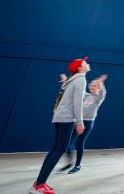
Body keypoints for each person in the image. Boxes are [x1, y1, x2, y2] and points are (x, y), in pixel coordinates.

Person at [29, 57, 89, 194]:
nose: (88, 64)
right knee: (60, 149)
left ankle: (39, 182)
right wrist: (79, 122)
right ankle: (39, 185)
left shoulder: (71, 80)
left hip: (59, 117)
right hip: (67, 118)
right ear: (80, 68)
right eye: (85, 63)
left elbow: (71, 96)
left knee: (55, 149)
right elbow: (77, 103)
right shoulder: (80, 79)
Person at [60, 74, 107, 173]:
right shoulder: (85, 95)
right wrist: (65, 81)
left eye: (95, 86)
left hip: (88, 122)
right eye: (91, 86)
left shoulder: (98, 99)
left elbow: (103, 93)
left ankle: (77, 165)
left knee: (80, 143)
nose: (92, 88)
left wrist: (101, 83)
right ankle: (69, 162)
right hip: (79, 121)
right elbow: (74, 90)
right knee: (67, 142)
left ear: (98, 88)